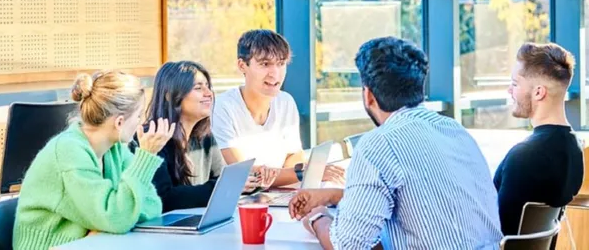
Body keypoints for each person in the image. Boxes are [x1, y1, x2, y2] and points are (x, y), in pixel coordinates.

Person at [289, 37, 503, 249]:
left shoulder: (379, 144)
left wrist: (318, 218)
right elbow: (426, 206)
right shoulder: (453, 129)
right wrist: (333, 196)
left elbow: (348, 245)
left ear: (369, 95)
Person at [12, 71, 175, 249]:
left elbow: (152, 207)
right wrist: (145, 158)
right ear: (119, 122)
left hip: (92, 244)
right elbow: (118, 218)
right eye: (138, 115)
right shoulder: (69, 152)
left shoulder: (116, 149)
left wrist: (109, 224)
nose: (140, 122)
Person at [211, 29, 345, 188]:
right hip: (240, 202)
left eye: (281, 64)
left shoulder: (285, 101)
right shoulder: (222, 106)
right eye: (265, 64)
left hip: (276, 195)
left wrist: (304, 170)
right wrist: (304, 172)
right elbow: (243, 173)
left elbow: (293, 157)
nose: (274, 74)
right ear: (242, 65)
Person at [129, 61, 259, 212]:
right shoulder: (150, 139)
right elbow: (164, 199)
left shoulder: (206, 139)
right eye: (198, 88)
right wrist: (224, 186)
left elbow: (219, 180)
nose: (209, 93)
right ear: (171, 96)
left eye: (208, 87)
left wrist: (252, 182)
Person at [495, 42, 584, 235]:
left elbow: (497, 231)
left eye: (515, 84)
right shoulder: (575, 150)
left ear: (538, 92)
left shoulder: (524, 156)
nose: (510, 91)